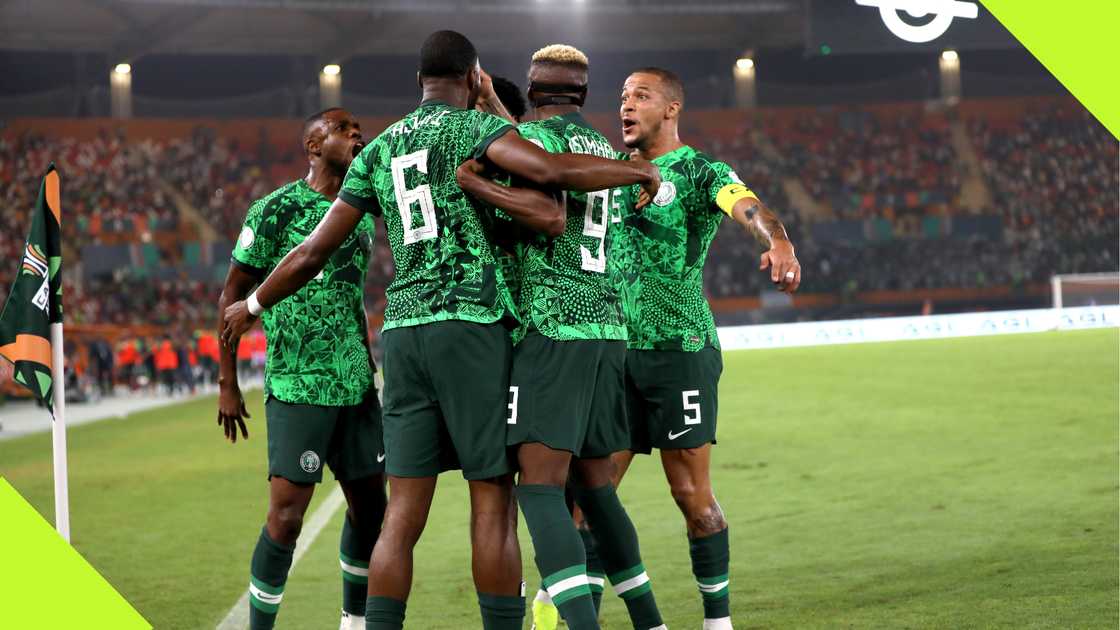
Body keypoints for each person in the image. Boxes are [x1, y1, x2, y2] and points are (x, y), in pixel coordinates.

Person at [221, 30, 660, 630]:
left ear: (420, 80)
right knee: (492, 498)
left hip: (402, 333)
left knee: (401, 512)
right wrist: (634, 173)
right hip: (471, 327)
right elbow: (553, 171)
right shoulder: (474, 130)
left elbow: (312, 250)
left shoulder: (379, 150)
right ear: (472, 75)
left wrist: (250, 304)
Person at [458, 44, 665, 630]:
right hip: (608, 331)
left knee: (541, 489)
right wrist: (495, 100)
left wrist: (478, 184)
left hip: (553, 329)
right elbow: (529, 135)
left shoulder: (528, 147)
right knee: (597, 490)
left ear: (533, 86)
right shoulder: (601, 148)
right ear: (583, 94)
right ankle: (652, 623)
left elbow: (534, 180)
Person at [612, 67, 802, 630]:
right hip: (615, 355)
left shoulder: (700, 171)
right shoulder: (607, 172)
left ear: (670, 108)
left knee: (690, 494)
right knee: (588, 495)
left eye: (640, 97)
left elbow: (749, 208)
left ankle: (717, 622)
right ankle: (568, 611)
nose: (626, 106)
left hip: (680, 350)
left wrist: (780, 241)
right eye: (622, 97)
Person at [216, 108, 386, 630]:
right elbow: (232, 295)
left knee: (371, 511)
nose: (356, 134)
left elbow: (352, 298)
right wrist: (226, 382)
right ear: (313, 146)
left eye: (358, 128)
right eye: (342, 129)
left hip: (355, 384)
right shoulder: (274, 210)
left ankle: (353, 623)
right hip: (297, 382)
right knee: (287, 519)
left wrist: (370, 368)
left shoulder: (360, 212)